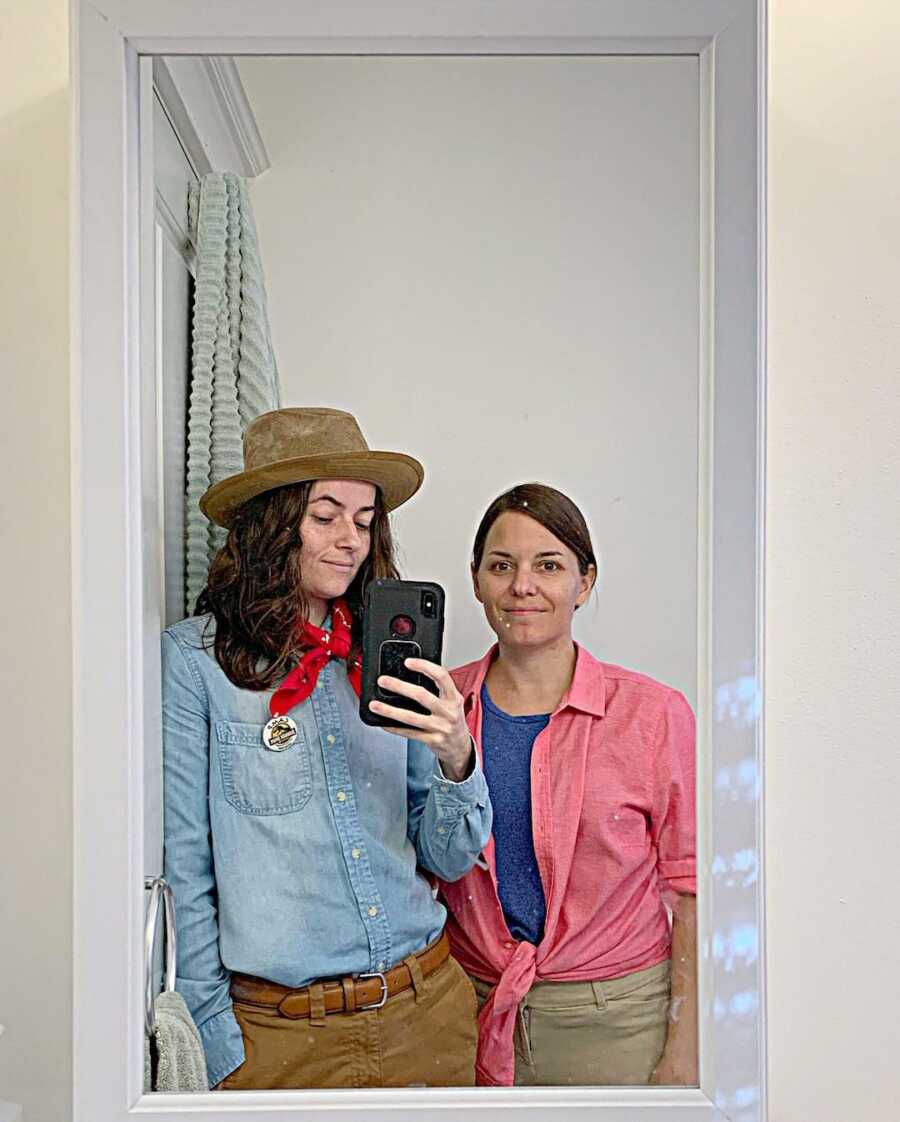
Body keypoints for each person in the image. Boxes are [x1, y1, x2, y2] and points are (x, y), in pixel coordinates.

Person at [162, 407, 491, 1091]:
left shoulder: (386, 660)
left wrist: (457, 756)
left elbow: (448, 858)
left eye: (365, 521)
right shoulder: (195, 664)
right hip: (278, 1041)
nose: (350, 541)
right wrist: (214, 1035)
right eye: (326, 515)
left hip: (424, 1013)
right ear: (272, 524)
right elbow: (185, 866)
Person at [427, 482, 697, 1087]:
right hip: (464, 1011)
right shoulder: (436, 706)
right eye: (502, 566)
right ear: (476, 581)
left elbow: (693, 887)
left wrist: (686, 1051)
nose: (523, 586)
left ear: (586, 581)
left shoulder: (653, 715)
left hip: (619, 1024)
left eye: (549, 565)